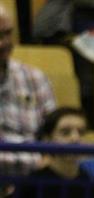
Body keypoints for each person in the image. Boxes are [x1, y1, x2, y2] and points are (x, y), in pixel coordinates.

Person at [0, 5, 57, 175]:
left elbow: (54, 134)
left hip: (33, 182)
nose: (3, 43)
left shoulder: (35, 78)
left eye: (7, 34)